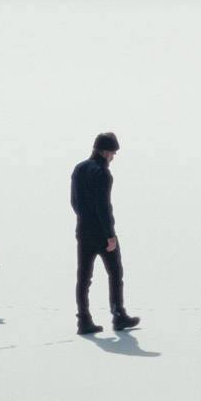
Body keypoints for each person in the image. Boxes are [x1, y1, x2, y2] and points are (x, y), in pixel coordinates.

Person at [71, 132, 140, 335]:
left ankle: (83, 320)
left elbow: (74, 202)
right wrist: (110, 235)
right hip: (101, 233)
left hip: (83, 230)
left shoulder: (79, 168)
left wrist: (83, 220)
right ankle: (118, 315)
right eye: (113, 152)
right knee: (115, 273)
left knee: (84, 277)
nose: (113, 157)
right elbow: (103, 207)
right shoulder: (102, 173)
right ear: (105, 151)